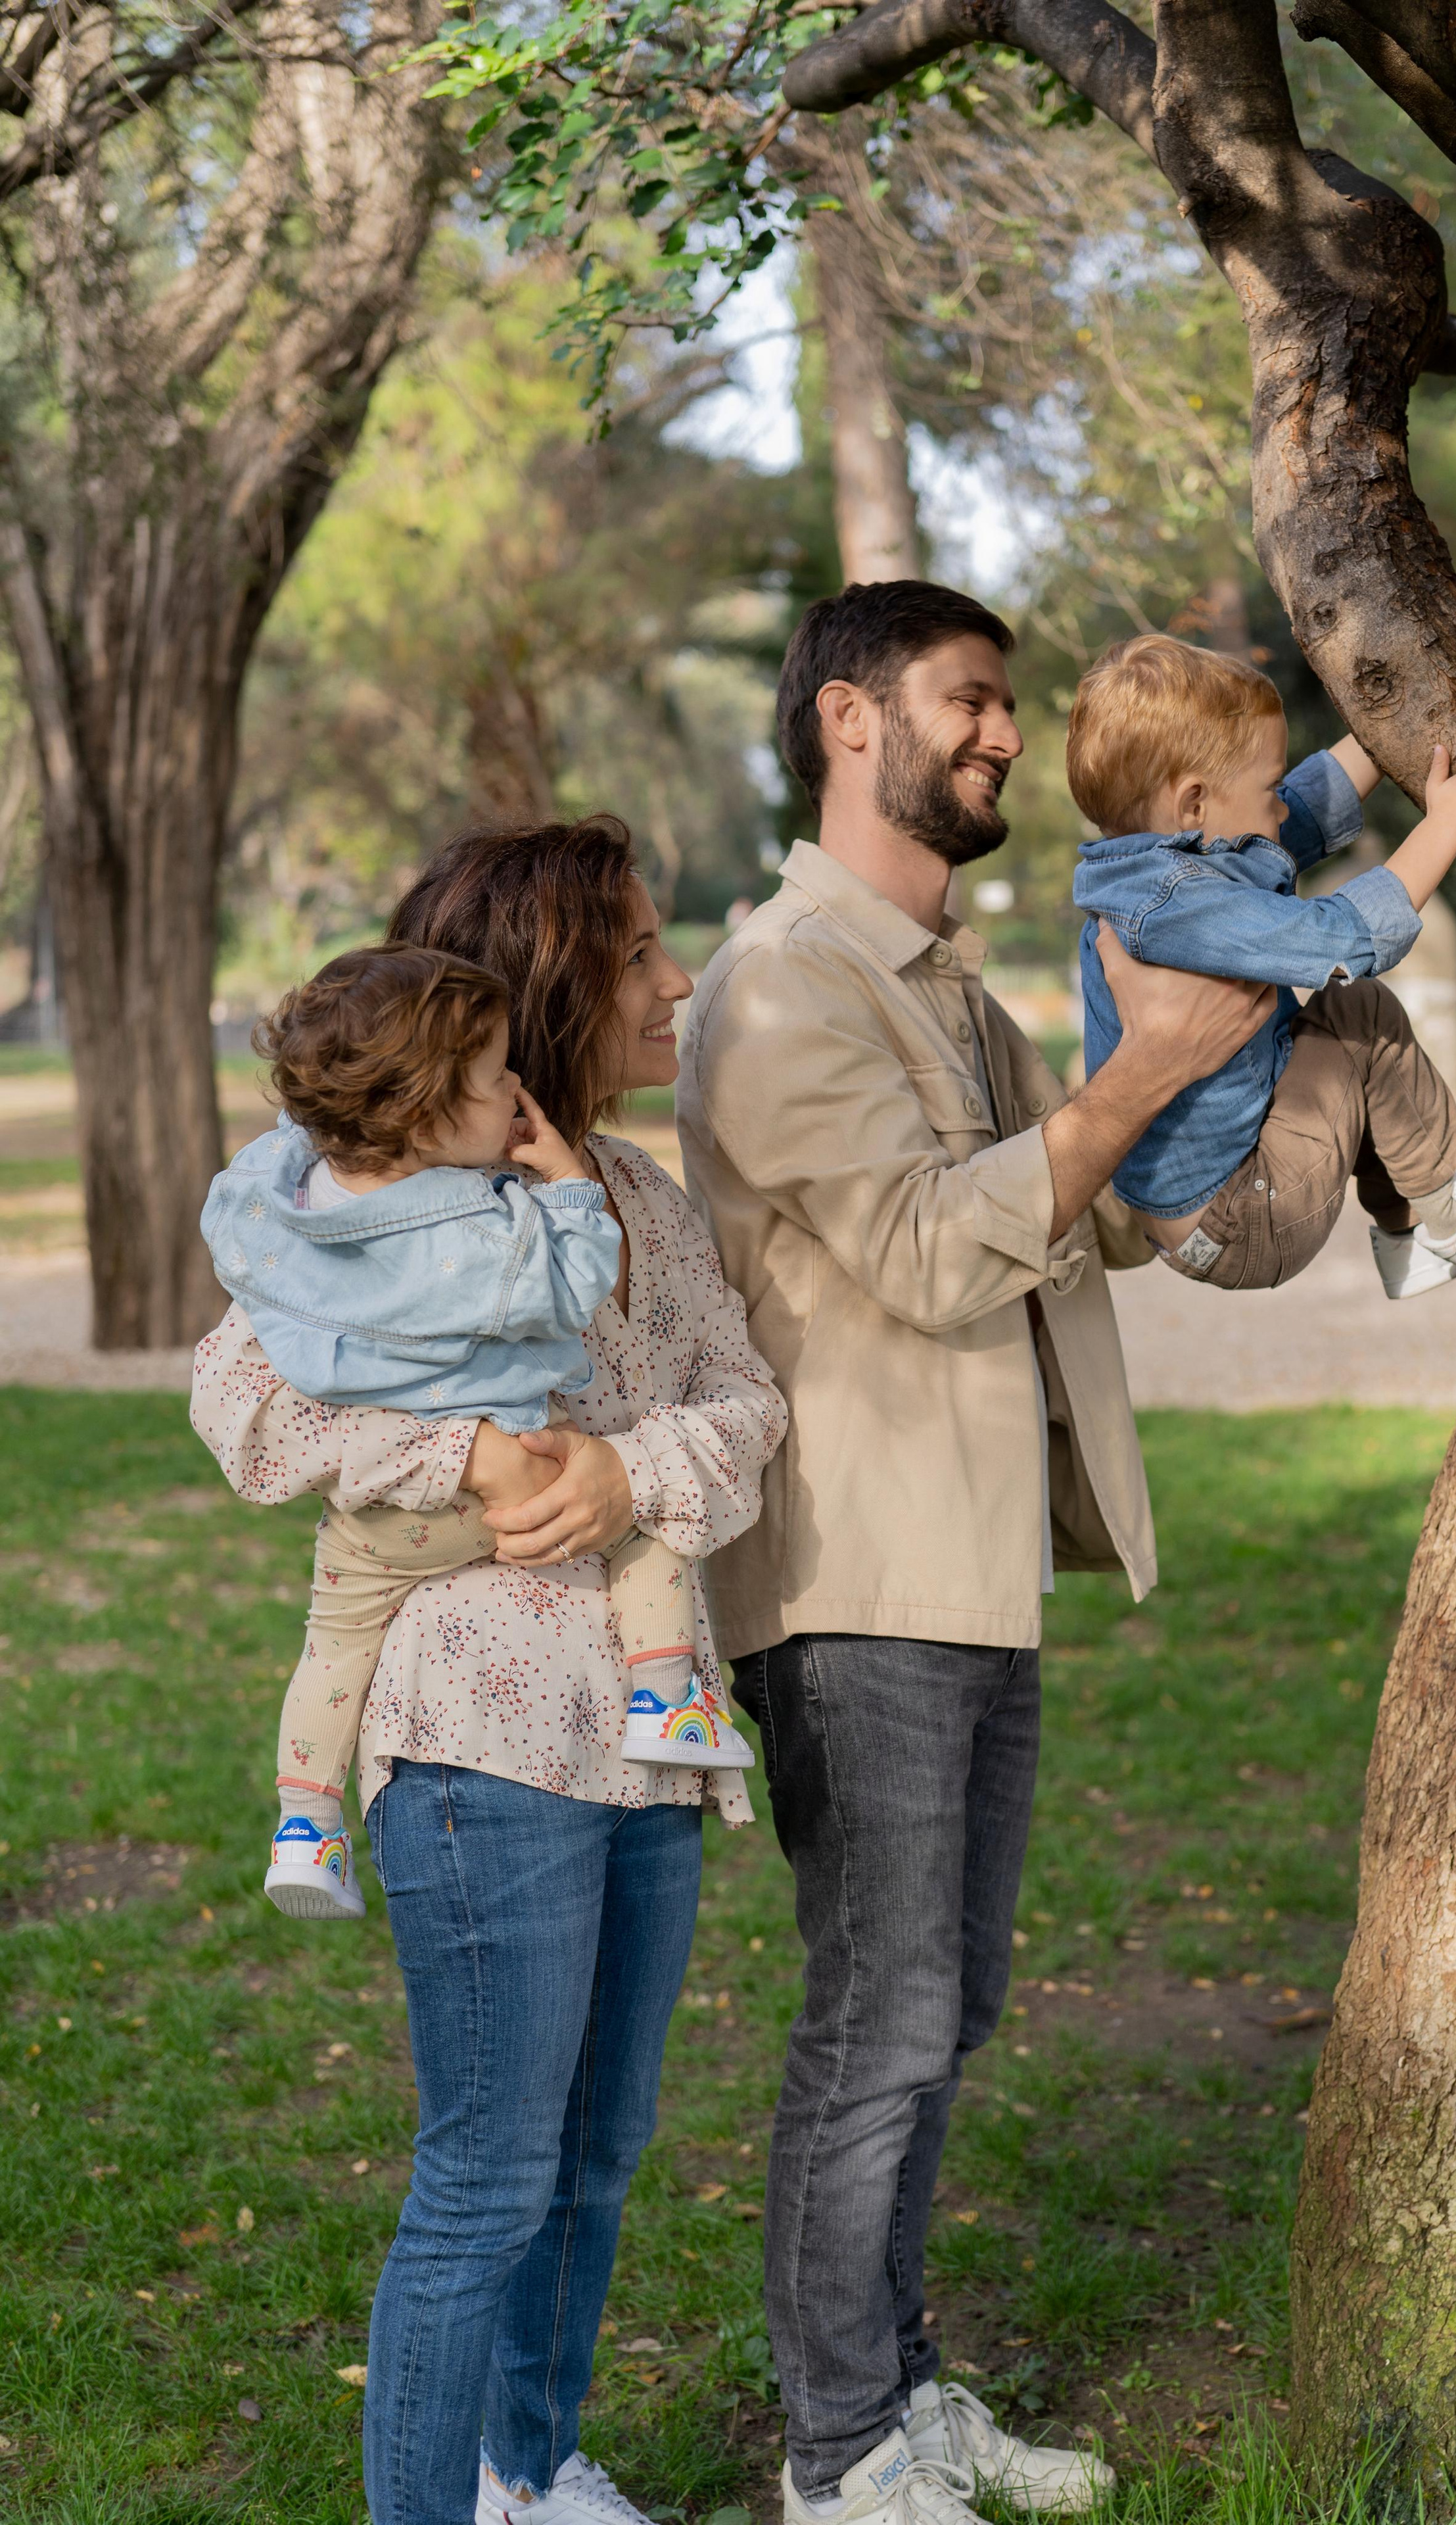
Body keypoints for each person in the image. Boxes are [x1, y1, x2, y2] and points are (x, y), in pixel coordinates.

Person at [675, 581, 1278, 2525]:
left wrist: (1227, 1107)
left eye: (1006, 704)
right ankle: (836, 2448)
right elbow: (938, 1251)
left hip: (970, 1576)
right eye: (969, 700)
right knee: (876, 2021)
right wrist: (1133, 1077)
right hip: (851, 1587)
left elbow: (1081, 1212)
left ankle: (899, 2392)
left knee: (946, 2012)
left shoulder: (944, 977)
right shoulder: (779, 983)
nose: (1003, 734)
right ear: (850, 722)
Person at [190, 817, 788, 2525]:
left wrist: (631, 1475)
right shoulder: (362, 1207)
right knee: (490, 2178)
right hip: (477, 1752)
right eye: (637, 957)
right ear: (543, 987)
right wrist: (460, 1456)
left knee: (594, 2164)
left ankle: (528, 2471)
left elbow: (746, 1410)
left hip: (654, 1747)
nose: (676, 983)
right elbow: (243, 1409)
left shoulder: (644, 1206)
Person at [199, 942, 751, 1922]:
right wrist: (569, 1186)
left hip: (378, 1531)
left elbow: (746, 1396)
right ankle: (666, 1692)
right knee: (644, 1518)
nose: (676, 979)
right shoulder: (481, 1233)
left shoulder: (297, 1218)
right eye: (496, 1075)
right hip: (516, 1509)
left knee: (331, 1649)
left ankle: (304, 1821)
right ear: (429, 1110)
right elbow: (570, 1279)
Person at [1069, 634, 1456, 1299]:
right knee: (1356, 1012)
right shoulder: (1174, 906)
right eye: (1266, 786)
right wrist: (1446, 826)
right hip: (1243, 1222)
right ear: (1194, 805)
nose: (1279, 802)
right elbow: (1339, 940)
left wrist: (1389, 723)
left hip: (1224, 1208)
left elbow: (1301, 811)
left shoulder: (1168, 863)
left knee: (1336, 1044)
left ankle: (1409, 1243)